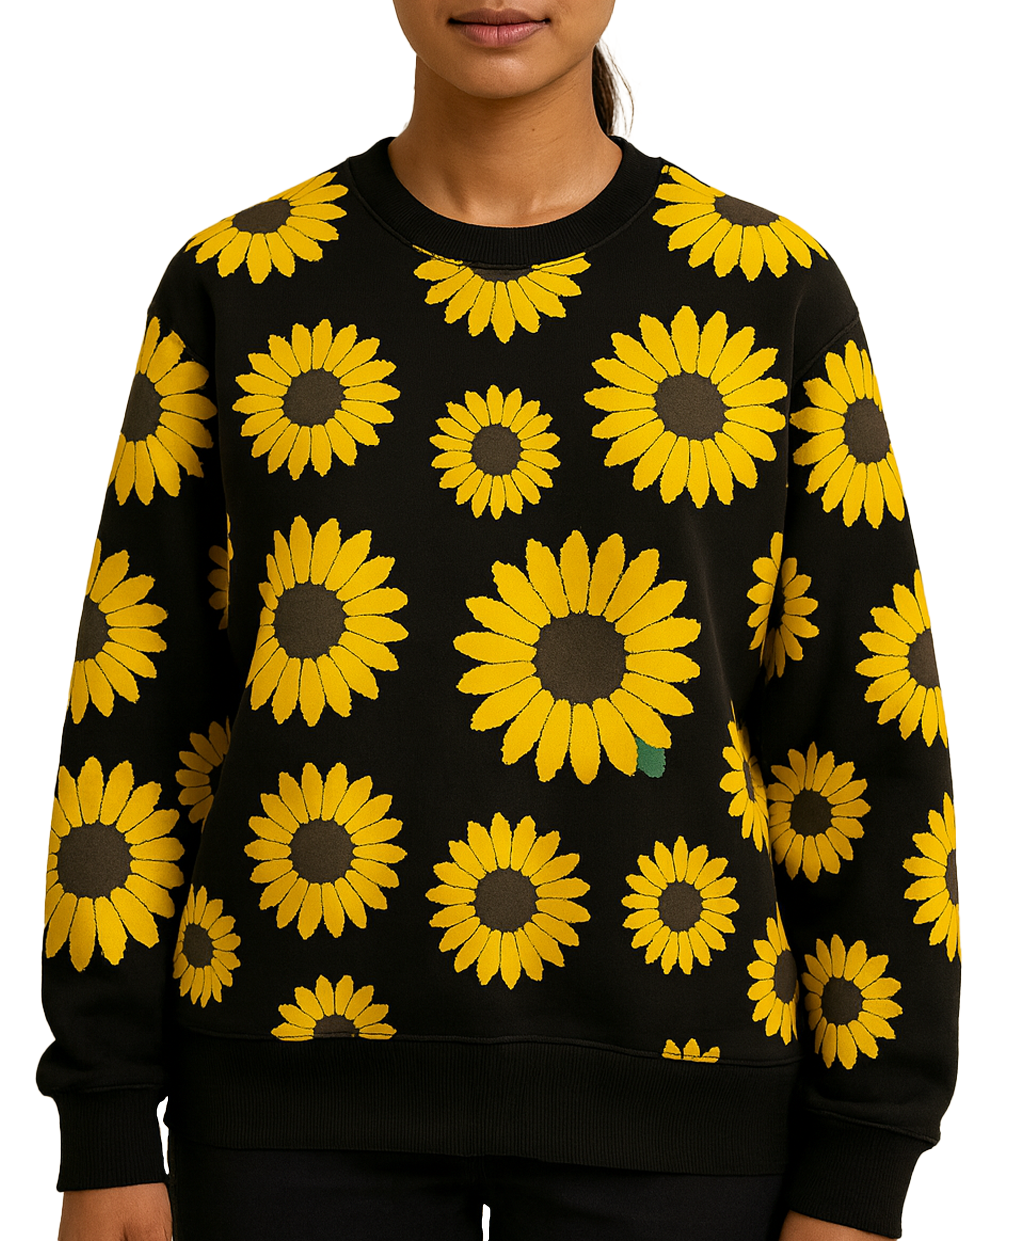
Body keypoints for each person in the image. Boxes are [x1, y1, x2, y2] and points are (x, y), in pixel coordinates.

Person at [40, 3, 960, 1239]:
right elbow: (138, 711)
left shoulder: (770, 291)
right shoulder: (239, 283)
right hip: (281, 1097)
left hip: (687, 1100)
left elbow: (862, 729)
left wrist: (864, 1156)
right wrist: (104, 1115)